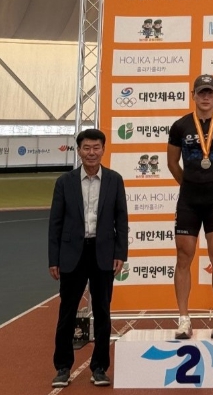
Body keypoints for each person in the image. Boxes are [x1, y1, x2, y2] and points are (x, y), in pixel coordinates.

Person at [48, 128, 128, 388]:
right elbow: (55, 223)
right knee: (67, 312)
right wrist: (53, 259)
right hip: (72, 254)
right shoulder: (65, 182)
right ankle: (62, 367)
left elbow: (121, 220)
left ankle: (100, 368)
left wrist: (120, 253)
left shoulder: (114, 180)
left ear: (103, 149)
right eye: (86, 148)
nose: (91, 152)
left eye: (96, 147)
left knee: (103, 311)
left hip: (103, 253)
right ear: (79, 151)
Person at [167, 74, 213, 339]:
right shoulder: (180, 126)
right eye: (201, 92)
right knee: (183, 256)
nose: (206, 97)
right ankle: (183, 319)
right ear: (194, 95)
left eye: (210, 92)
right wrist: (189, 184)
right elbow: (172, 163)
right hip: (188, 199)